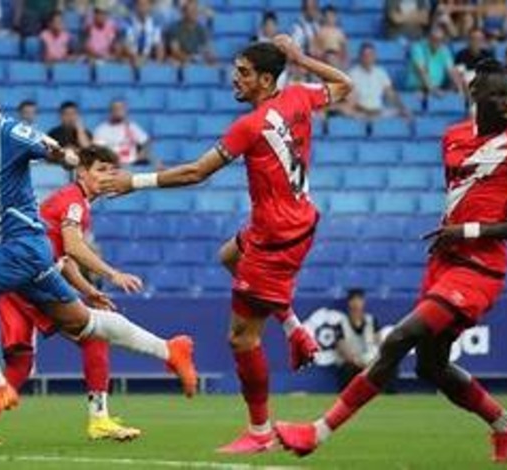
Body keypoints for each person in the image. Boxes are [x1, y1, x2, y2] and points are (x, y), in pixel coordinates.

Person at [0, 66, 197, 428]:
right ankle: (169, 349)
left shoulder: (11, 132)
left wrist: (61, 155)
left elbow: (45, 146)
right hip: (32, 254)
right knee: (85, 323)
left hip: (23, 246)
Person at [273, 59, 507, 464]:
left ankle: (317, 432)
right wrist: (450, 232)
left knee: (398, 339)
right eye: (498, 95)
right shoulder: (452, 138)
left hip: (480, 271)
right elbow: (464, 195)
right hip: (445, 262)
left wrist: (469, 231)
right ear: (475, 94)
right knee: (431, 367)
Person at [98, 35, 353, 453]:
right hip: (293, 221)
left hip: (276, 239)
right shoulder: (300, 97)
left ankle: (259, 433)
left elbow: (197, 172)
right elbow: (344, 84)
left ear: (266, 79)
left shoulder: (249, 126)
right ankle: (295, 328)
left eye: (245, 73)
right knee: (228, 256)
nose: (235, 78)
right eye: (236, 69)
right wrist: (300, 57)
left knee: (241, 339)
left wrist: (134, 181)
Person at [0, 145, 144, 445]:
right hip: (30, 281)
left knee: (20, 362)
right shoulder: (75, 203)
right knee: (94, 336)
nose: (108, 177)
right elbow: (72, 247)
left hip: (12, 282)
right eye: (100, 170)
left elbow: (63, 259)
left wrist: (89, 291)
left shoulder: (68, 201)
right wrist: (113, 274)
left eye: (112, 171)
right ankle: (99, 420)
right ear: (82, 173)